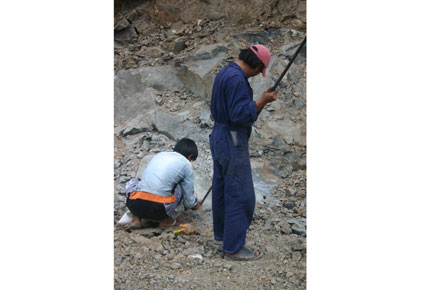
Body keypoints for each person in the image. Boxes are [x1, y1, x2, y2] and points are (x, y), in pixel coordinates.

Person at [209, 44, 278, 261]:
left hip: (219, 135)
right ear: (257, 66)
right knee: (241, 194)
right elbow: (239, 115)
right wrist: (261, 102)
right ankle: (234, 249)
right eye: (260, 71)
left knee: (222, 188)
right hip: (232, 138)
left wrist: (258, 103)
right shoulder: (238, 80)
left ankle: (224, 236)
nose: (258, 75)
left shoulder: (225, 71)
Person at [125, 138, 200, 229]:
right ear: (190, 157)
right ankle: (166, 221)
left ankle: (136, 219)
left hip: (135, 205)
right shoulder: (186, 165)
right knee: (180, 186)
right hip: (159, 209)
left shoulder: (159, 155)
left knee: (135, 182)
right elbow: (189, 202)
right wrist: (195, 204)